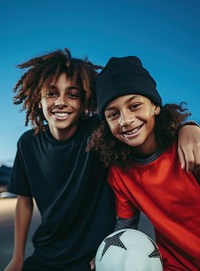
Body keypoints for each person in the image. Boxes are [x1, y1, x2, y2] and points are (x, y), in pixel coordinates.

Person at [4, 49, 199, 271]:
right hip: (47, 251)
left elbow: (149, 122)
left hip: (90, 257)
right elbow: (24, 199)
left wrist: (189, 127)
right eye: (51, 93)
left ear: (85, 100)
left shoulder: (97, 135)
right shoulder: (31, 143)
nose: (61, 102)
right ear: (37, 98)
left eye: (72, 94)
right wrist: (18, 257)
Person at [88, 55, 200, 271]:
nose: (125, 120)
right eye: (113, 114)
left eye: (135, 105)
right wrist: (107, 253)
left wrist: (192, 126)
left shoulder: (188, 146)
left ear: (155, 106)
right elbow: (126, 224)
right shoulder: (119, 173)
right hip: (173, 265)